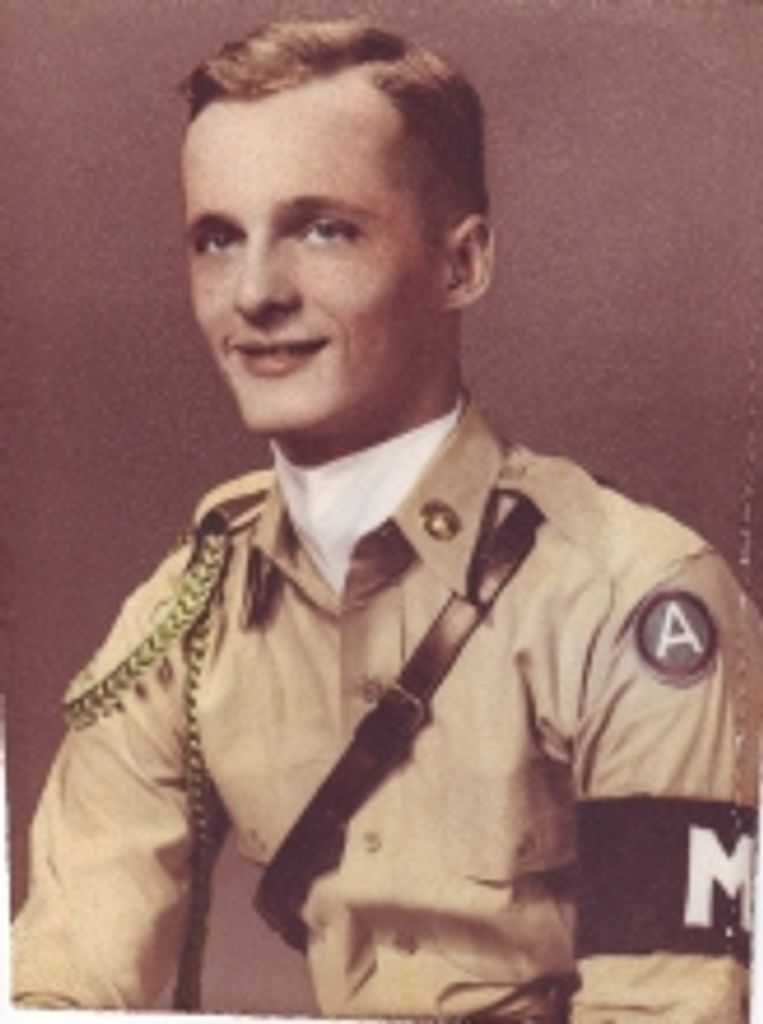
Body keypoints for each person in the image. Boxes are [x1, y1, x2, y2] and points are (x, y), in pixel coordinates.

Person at [11, 19, 761, 1022]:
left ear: (462, 264)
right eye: (218, 238)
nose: (255, 294)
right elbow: (60, 992)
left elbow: (669, 1011)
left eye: (323, 230)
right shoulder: (189, 612)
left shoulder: (632, 599)